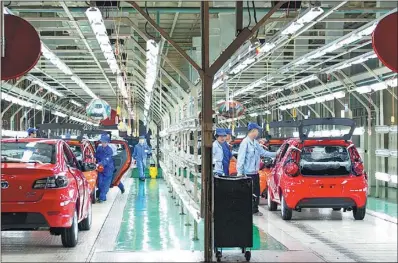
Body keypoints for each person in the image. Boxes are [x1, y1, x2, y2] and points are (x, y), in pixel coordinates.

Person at [237, 123, 276, 216]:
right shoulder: (245, 143)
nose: (258, 133)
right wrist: (240, 173)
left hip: (255, 172)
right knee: (248, 193)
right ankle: (247, 210)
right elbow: (241, 158)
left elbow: (263, 152)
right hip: (247, 173)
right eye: (257, 130)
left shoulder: (255, 143)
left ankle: (254, 210)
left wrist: (277, 154)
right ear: (253, 131)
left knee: (256, 192)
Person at [95, 133, 115, 203]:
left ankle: (102, 198)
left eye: (105, 142)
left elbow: (106, 160)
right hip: (100, 169)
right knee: (100, 183)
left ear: (107, 142)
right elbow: (96, 156)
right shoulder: (99, 148)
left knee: (105, 185)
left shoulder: (109, 150)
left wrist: (99, 164)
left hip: (108, 170)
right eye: (102, 142)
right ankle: (101, 195)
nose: (103, 143)